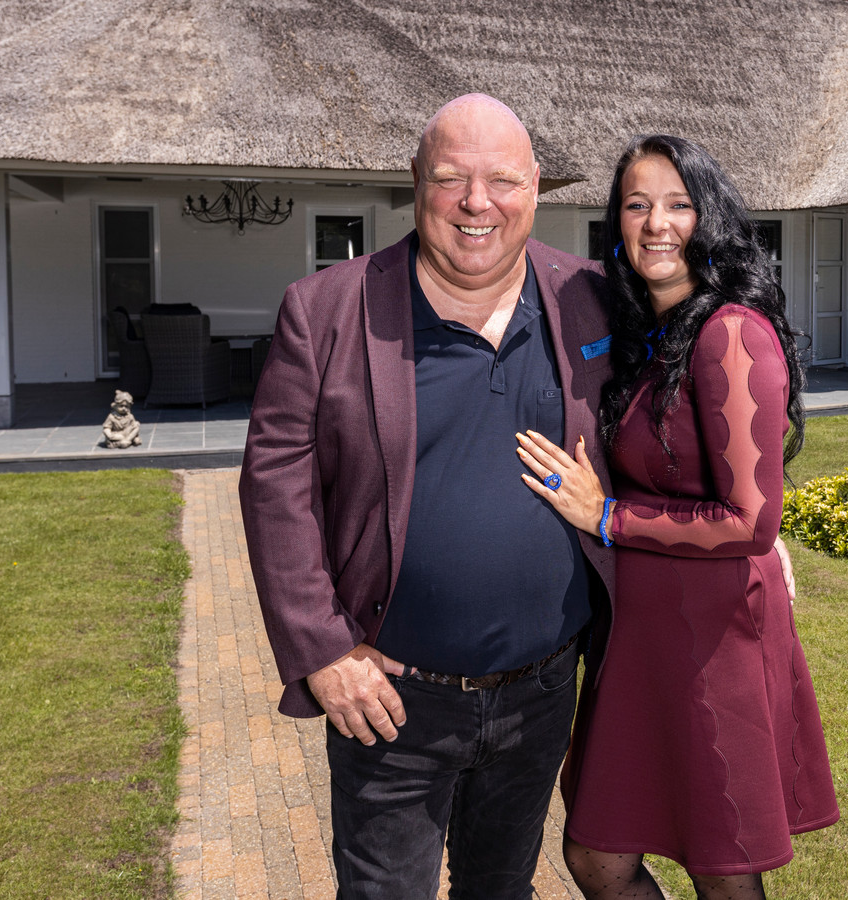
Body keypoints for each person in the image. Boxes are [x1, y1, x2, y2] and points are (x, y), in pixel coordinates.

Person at [238, 93, 618, 899]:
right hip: (391, 703)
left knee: (502, 891)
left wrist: (743, 521)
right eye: (451, 178)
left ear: (535, 187)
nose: (477, 203)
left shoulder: (588, 296)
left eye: (502, 180)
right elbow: (275, 489)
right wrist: (323, 652)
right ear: (416, 181)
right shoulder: (326, 311)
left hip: (543, 691)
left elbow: (674, 410)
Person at [516, 135, 840, 900]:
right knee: (597, 855)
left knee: (719, 864)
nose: (656, 223)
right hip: (646, 636)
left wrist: (609, 517)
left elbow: (750, 521)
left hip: (713, 640)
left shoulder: (730, 333)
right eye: (637, 205)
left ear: (709, 217)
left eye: (678, 204)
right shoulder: (653, 334)